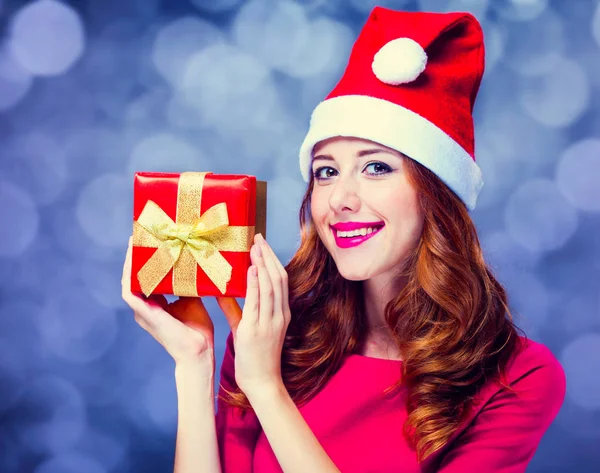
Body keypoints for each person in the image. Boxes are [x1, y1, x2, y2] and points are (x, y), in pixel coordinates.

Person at [121, 7, 566, 473]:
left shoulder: (518, 377)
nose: (340, 199)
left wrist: (266, 387)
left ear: (435, 192)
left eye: (376, 167)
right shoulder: (272, 335)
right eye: (326, 172)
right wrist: (195, 364)